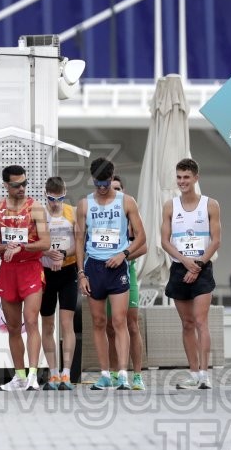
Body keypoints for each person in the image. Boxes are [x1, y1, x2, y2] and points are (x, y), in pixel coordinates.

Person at [74, 158, 146, 391]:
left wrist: (124, 254)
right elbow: (78, 241)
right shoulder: (85, 204)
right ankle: (105, 374)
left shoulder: (127, 202)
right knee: (98, 322)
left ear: (112, 176)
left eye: (106, 182)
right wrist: (82, 274)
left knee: (119, 321)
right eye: (98, 183)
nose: (102, 187)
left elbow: (142, 238)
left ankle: (123, 374)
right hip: (94, 266)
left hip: (117, 267)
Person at [0, 165, 51, 392]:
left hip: (31, 268)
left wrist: (22, 247)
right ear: (6, 185)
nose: (22, 188)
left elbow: (45, 243)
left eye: (24, 183)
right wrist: (8, 246)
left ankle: (34, 375)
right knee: (14, 327)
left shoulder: (35, 208)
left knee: (31, 321)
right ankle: (20, 376)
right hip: (8, 270)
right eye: (16, 185)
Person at [161, 158, 222, 390]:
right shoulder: (170, 206)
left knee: (200, 321)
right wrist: (186, 262)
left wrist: (197, 265)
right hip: (179, 267)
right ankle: (193, 373)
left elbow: (216, 241)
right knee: (187, 323)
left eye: (186, 177)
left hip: (202, 268)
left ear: (196, 178)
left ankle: (205, 375)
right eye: (179, 177)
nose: (182, 181)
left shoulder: (210, 205)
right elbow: (164, 241)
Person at [105, 175, 148, 391]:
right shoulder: (101, 216)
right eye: (111, 188)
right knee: (110, 327)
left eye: (118, 188)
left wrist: (123, 256)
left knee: (131, 324)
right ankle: (114, 372)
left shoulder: (130, 215)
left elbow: (144, 246)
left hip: (126, 273)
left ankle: (138, 375)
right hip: (103, 274)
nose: (115, 192)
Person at [38, 176, 77, 391]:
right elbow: (33, 243)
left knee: (66, 324)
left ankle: (66, 374)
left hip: (67, 270)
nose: (55, 203)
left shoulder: (71, 212)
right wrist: (48, 253)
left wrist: (62, 254)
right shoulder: (39, 213)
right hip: (45, 273)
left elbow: (79, 245)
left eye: (60, 198)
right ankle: (53, 373)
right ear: (46, 195)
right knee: (48, 324)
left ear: (65, 193)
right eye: (51, 199)